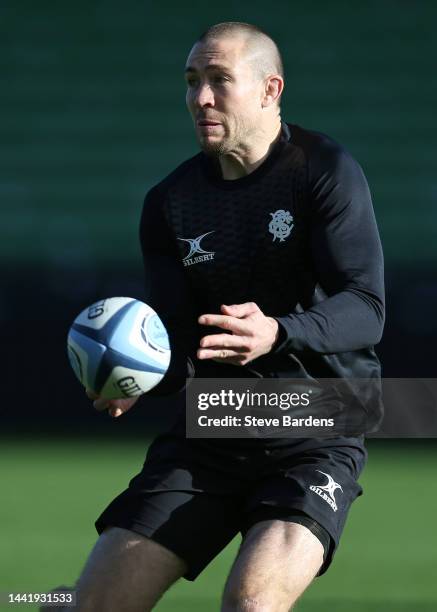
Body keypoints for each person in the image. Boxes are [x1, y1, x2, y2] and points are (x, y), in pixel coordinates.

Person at [53, 22, 385, 612]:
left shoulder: (323, 170)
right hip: (210, 435)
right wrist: (144, 374)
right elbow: (181, 342)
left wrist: (279, 332)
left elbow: (367, 309)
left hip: (316, 431)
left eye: (219, 80)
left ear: (269, 89)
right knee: (94, 604)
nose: (201, 97)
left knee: (251, 604)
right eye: (191, 82)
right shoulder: (169, 203)